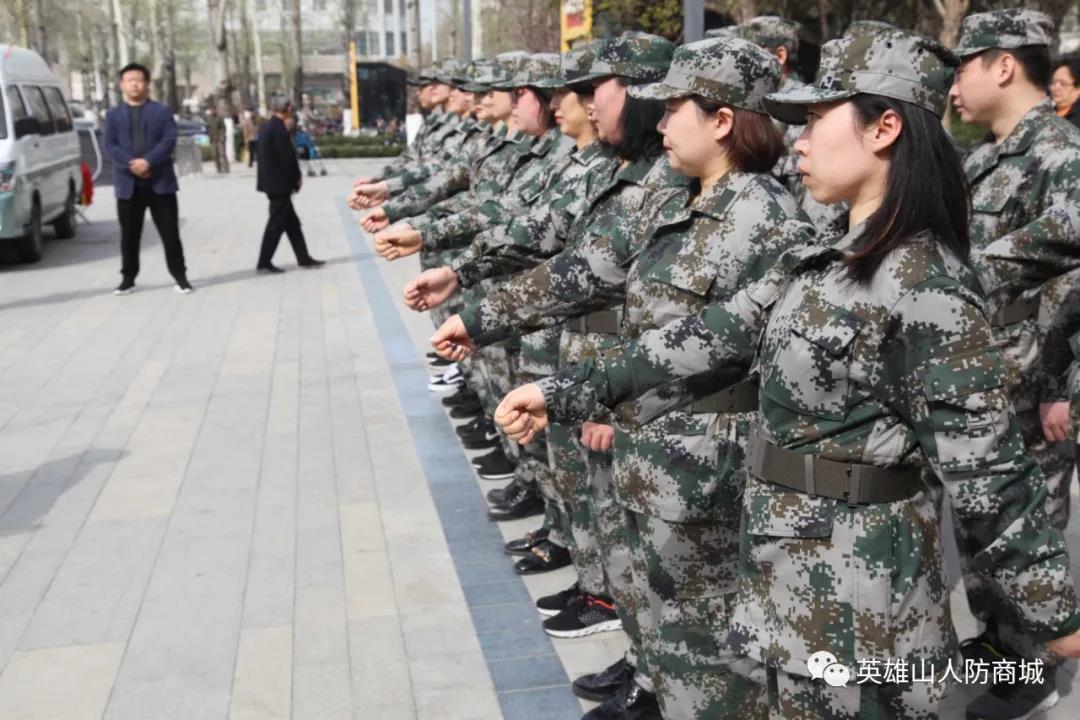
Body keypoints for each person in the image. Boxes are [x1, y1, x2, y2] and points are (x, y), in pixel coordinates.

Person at [491, 28, 1080, 718]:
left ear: (885, 128)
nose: (796, 139)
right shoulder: (827, 257)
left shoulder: (926, 287)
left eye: (816, 118)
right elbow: (707, 336)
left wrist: (1054, 615)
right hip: (788, 586)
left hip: (863, 611)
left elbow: (989, 474)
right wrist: (563, 392)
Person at [948, 9, 1080, 718]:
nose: (953, 86)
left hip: (1037, 381)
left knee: (1025, 526)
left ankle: (1033, 670)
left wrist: (1069, 389)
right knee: (978, 523)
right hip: (983, 377)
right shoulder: (984, 158)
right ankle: (1000, 643)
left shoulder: (1060, 153)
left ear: (1003, 65)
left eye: (963, 67)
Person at [102, 62, 192, 295]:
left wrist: (148, 162)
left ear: (147, 84)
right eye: (129, 80)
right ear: (122, 85)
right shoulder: (113, 115)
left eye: (139, 80)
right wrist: (132, 164)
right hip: (127, 184)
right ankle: (128, 278)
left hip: (160, 182)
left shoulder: (161, 112)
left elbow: (168, 140)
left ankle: (180, 277)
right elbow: (109, 145)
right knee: (129, 235)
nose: (135, 84)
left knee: (170, 233)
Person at [255, 95, 324, 274]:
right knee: (275, 225)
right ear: (287, 109)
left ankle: (303, 258)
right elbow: (287, 158)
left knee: (292, 224)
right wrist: (296, 178)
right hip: (279, 185)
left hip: (271, 183)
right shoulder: (278, 129)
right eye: (290, 107)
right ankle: (264, 262)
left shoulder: (266, 126)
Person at [1051, 58, 1080, 128]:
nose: (1056, 88)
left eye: (1063, 84)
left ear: (1078, 89)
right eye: (1053, 82)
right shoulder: (1046, 112)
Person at [208, 105, 229, 174]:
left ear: (215, 110)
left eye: (213, 110)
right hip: (212, 140)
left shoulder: (219, 117)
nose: (212, 111)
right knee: (215, 155)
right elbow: (208, 128)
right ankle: (218, 169)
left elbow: (223, 128)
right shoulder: (209, 118)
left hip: (220, 139)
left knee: (222, 154)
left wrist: (222, 136)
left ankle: (226, 169)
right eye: (211, 110)